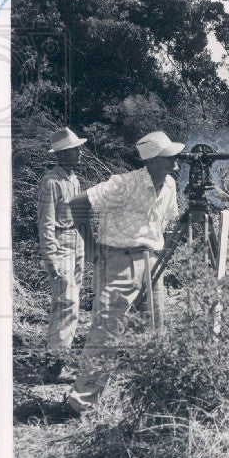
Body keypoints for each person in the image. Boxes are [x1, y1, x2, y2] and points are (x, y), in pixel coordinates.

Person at [65, 130, 183, 414]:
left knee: (154, 331)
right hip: (117, 261)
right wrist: (91, 246)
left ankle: (151, 398)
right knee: (106, 333)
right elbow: (78, 204)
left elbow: (166, 221)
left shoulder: (169, 185)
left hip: (151, 262)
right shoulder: (124, 184)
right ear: (152, 160)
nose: (176, 164)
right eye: (169, 158)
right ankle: (81, 403)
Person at [36, 127, 90, 381]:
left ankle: (57, 361)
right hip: (60, 245)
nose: (79, 153)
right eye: (74, 149)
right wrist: (51, 257)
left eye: (78, 148)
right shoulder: (51, 182)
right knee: (67, 304)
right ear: (62, 154)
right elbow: (45, 222)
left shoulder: (74, 180)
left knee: (70, 304)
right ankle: (54, 365)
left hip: (76, 244)